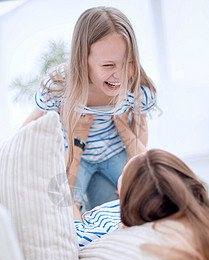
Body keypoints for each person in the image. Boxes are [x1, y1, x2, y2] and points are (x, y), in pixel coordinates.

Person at [22, 6, 156, 212]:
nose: (119, 76)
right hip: (77, 157)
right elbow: (29, 128)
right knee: (61, 206)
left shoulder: (137, 89)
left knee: (147, 197)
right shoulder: (57, 87)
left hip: (115, 152)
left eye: (128, 62)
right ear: (82, 60)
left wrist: (131, 171)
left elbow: (139, 132)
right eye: (108, 66)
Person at [73, 148, 209, 260]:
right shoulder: (161, 197)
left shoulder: (106, 231)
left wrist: (73, 206)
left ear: (127, 193)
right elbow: (150, 171)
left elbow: (76, 232)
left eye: (124, 172)